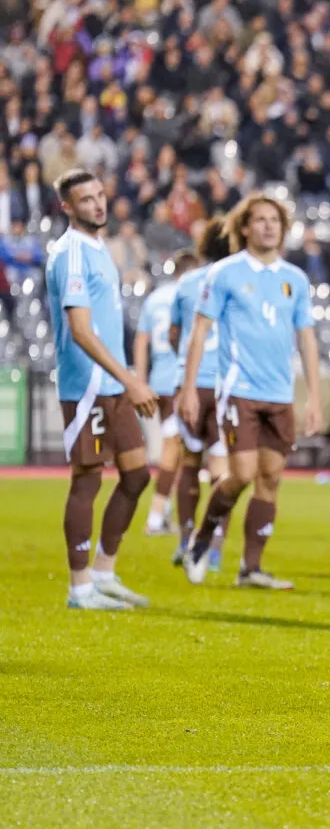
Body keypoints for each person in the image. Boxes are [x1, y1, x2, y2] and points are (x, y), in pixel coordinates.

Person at [178, 194, 323, 588]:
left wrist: (314, 398)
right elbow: (200, 332)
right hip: (238, 390)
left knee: (272, 477)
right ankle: (202, 539)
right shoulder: (224, 273)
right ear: (244, 227)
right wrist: (189, 388)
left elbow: (307, 340)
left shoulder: (295, 279)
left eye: (274, 220)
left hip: (279, 394)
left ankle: (251, 569)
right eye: (259, 219)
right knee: (241, 474)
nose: (268, 226)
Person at [45, 169, 155, 610]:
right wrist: (130, 377)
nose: (98, 204)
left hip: (113, 383)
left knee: (137, 475)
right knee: (87, 479)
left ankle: (105, 573)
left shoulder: (100, 248)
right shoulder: (70, 253)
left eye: (100, 195)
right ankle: (79, 587)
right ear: (67, 207)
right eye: (86, 199)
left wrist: (124, 377)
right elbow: (81, 331)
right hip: (87, 385)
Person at [168, 219, 232, 571]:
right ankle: (215, 548)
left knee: (189, 465)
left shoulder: (187, 283)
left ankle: (184, 539)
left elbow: (175, 334)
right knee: (223, 471)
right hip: (225, 385)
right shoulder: (240, 280)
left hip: (189, 382)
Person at [134, 252, 192, 537]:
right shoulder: (190, 295)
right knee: (174, 448)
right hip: (180, 382)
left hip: (158, 382)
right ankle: (157, 516)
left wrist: (141, 382)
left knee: (178, 450)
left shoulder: (154, 298)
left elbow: (141, 341)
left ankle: (165, 513)